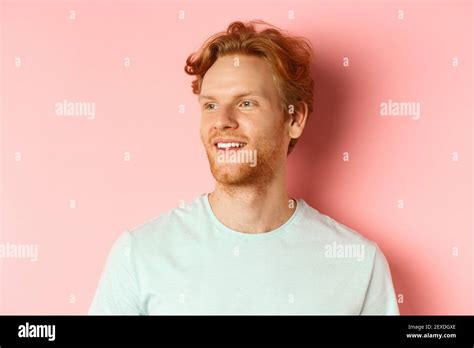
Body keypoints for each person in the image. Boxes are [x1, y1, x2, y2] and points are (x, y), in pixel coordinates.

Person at [88, 20, 399, 315]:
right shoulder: (141, 254)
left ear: (294, 119)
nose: (222, 120)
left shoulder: (358, 263)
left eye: (246, 103)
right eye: (210, 105)